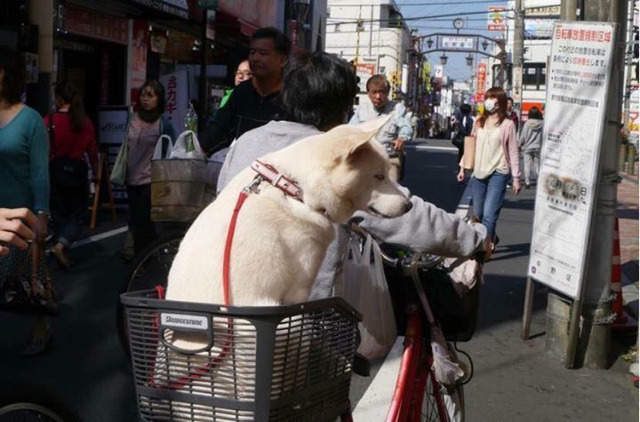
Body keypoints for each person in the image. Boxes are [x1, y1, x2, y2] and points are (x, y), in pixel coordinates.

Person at [218, 52, 487, 303]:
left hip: (229, 302)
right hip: (305, 318)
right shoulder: (337, 153)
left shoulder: (245, 142)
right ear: (344, 109)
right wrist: (474, 239)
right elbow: (408, 217)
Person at [0, 47, 51, 355]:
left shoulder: (31, 120)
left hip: (21, 215)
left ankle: (43, 326)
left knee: (31, 282)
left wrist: (42, 214)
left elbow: (40, 173)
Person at [199, 27, 290, 154]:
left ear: (282, 60)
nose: (255, 58)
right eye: (252, 52)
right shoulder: (241, 92)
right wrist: (195, 150)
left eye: (263, 53)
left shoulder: (292, 96)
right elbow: (218, 130)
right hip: (243, 169)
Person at [456, 87, 521, 255]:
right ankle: (491, 236)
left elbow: (513, 151)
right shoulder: (479, 121)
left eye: (492, 98)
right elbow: (470, 146)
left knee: (489, 214)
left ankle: (486, 248)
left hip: (499, 172)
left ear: (500, 102)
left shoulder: (508, 125)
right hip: (478, 172)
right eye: (487, 98)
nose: (488, 101)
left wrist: (516, 177)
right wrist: (462, 168)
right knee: (478, 213)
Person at [44, 81, 98, 269]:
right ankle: (61, 246)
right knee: (78, 215)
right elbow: (92, 151)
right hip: (77, 174)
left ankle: (60, 247)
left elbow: (42, 149)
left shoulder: (49, 120)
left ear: (58, 98)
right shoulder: (84, 122)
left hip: (55, 173)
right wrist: (96, 173)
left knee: (58, 213)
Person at [124, 80, 176, 256]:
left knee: (143, 220)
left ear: (159, 99)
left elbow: (170, 151)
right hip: (131, 178)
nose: (145, 99)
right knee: (136, 219)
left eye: (150, 95)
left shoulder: (163, 125)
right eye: (143, 94)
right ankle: (148, 252)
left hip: (150, 180)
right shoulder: (132, 120)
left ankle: (141, 258)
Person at [349, 74, 413, 181]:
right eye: (374, 92)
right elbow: (350, 130)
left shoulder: (397, 109)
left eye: (381, 92)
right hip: (365, 160)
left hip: (389, 159)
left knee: (390, 192)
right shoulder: (362, 110)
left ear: (387, 93)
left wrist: (401, 139)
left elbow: (406, 127)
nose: (378, 96)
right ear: (368, 93)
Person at [518, 106, 543, 189]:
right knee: (537, 164)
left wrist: (519, 144)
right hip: (538, 146)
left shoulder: (527, 123)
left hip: (528, 147)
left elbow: (523, 136)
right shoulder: (541, 123)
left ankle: (527, 182)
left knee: (527, 164)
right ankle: (539, 180)